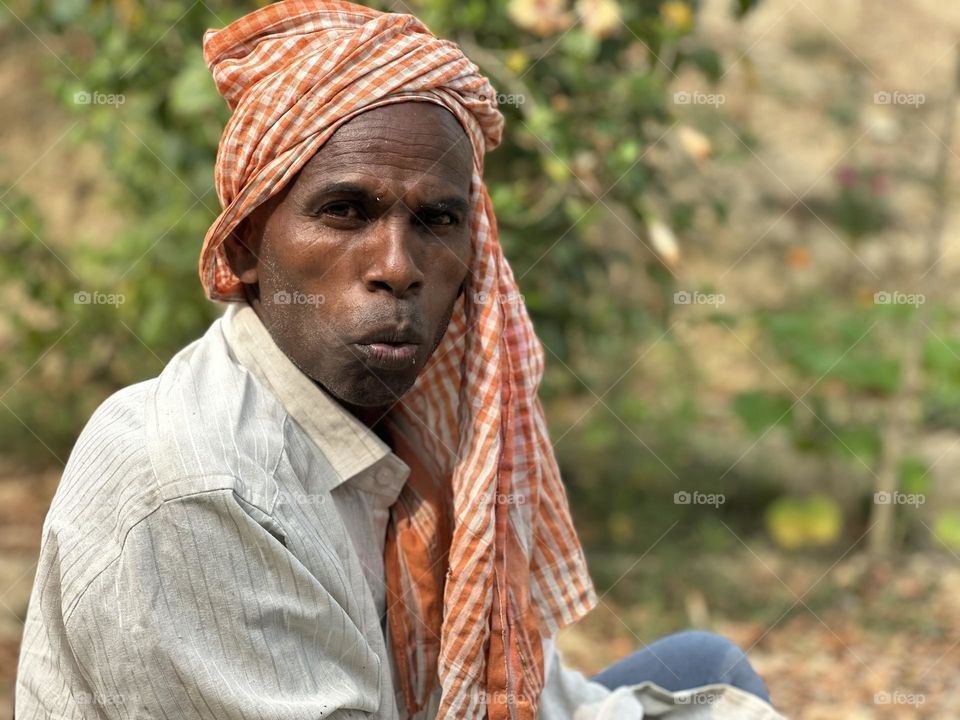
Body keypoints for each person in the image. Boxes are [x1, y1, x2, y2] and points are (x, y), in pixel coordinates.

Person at [16, 2, 784, 718]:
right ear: (248, 246)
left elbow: (520, 692)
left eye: (436, 221)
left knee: (706, 667)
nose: (397, 265)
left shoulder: (427, 432)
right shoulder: (193, 485)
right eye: (346, 211)